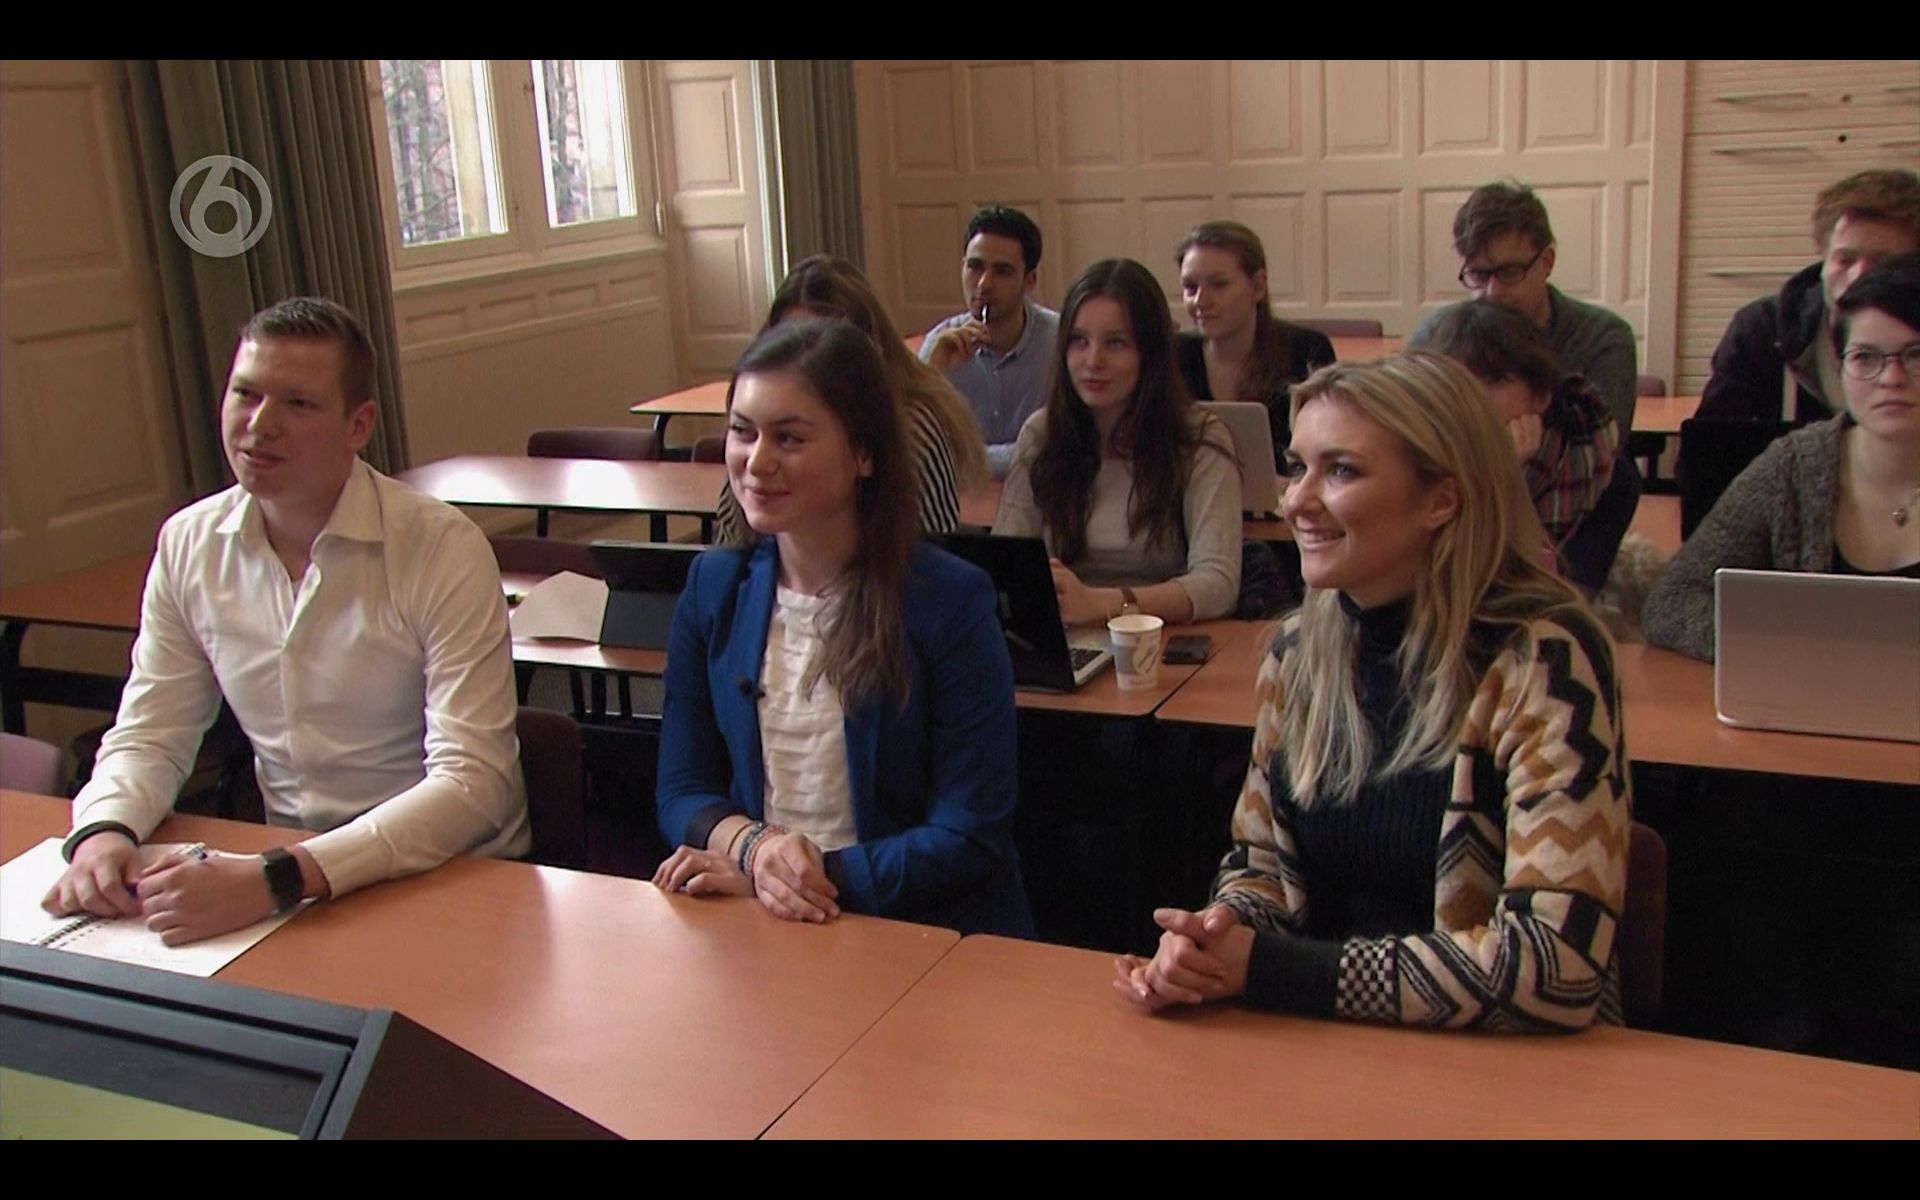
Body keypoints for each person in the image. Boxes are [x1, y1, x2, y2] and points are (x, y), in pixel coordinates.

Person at [1114, 352, 1631, 1031]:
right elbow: (1260, 865)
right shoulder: (1297, 653)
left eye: (1342, 471)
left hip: (1504, 1061)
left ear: (1442, 499)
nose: (1295, 501)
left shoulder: (1545, 660)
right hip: (1319, 1038)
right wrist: (1214, 939)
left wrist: (1271, 968)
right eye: (1298, 466)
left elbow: (1555, 967)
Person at [43, 297, 529, 945]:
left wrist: (279, 877)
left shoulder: (440, 548)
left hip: (446, 871)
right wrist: (104, 831)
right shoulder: (190, 542)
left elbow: (473, 785)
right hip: (287, 874)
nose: (259, 425)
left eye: (298, 404)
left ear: (358, 425)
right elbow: (152, 734)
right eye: (246, 394)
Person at [652, 319, 1032, 937]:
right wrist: (755, 850)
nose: (757, 462)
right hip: (769, 922)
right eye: (743, 432)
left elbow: (968, 835)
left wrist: (802, 876)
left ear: (864, 453)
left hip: (920, 933)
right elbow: (681, 789)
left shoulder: (950, 600)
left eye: (790, 438)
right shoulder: (713, 587)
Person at [1644, 253, 1920, 660]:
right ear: (1840, 369)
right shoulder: (1794, 466)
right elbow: (1672, 601)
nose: (1892, 378)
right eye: (1865, 357)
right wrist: (1788, 652)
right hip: (1808, 695)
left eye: (1916, 355)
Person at [993, 258, 1242, 625]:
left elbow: (1218, 584)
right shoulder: (1042, 433)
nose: (1093, 360)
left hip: (1157, 636)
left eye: (1116, 343)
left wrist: (1104, 603)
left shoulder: (1197, 438)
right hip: (1065, 634)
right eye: (1079, 341)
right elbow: (1005, 562)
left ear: (1149, 354)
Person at [714, 255, 985, 543]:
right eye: (787, 343)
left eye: (824, 346)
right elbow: (732, 543)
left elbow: (925, 556)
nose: (802, 360)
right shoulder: (758, 438)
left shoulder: (912, 427)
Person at [1408, 181, 1639, 436]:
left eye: (1509, 272)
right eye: (1479, 275)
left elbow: (1604, 444)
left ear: (1547, 262)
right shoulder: (1434, 336)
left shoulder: (1601, 338)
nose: (1493, 292)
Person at [1420, 299, 1622, 588]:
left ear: (1540, 394)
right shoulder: (1424, 450)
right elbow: (1442, 566)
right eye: (1457, 380)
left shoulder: (1583, 450)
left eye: (1493, 379)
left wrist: (1509, 477)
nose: (1472, 394)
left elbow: (1540, 578)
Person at [1699, 169, 1920, 424]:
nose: (1858, 277)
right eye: (1845, 259)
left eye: (1883, 262)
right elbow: (1711, 446)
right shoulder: (1761, 329)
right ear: (1823, 260)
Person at [1174, 219, 1335, 466]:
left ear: (1258, 286)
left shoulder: (1308, 351)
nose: (1200, 301)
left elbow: (1328, 448)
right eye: (1190, 287)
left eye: (1219, 285)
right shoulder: (1173, 353)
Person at [920, 206, 1060, 479]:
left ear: (1029, 281)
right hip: (960, 498)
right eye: (975, 267)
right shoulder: (941, 344)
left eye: (1003, 271)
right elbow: (910, 445)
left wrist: (965, 460)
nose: (984, 284)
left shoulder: (1059, 342)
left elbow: (1056, 446)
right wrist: (930, 372)